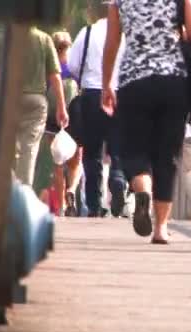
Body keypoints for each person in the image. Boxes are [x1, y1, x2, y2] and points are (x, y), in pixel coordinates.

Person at [102, 0, 191, 243]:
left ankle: (143, 191)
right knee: (167, 156)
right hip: (173, 83)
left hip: (134, 82)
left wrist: (107, 82)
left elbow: (112, 42)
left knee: (134, 150)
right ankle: (160, 229)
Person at [0, 27, 69, 186]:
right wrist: (62, 108)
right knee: (28, 151)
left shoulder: (2, 39)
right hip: (35, 102)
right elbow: (55, 76)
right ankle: (23, 196)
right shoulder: (44, 39)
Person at [69, 0, 127, 218]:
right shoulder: (126, 34)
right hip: (120, 94)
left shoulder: (86, 32)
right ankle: (118, 180)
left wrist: (86, 78)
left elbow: (73, 65)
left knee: (92, 151)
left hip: (92, 94)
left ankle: (94, 204)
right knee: (118, 146)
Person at [47, 31, 84, 217]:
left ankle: (61, 204)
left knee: (57, 163)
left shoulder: (50, 69)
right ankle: (73, 189)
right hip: (73, 117)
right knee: (76, 161)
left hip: (52, 119)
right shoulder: (74, 68)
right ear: (69, 47)